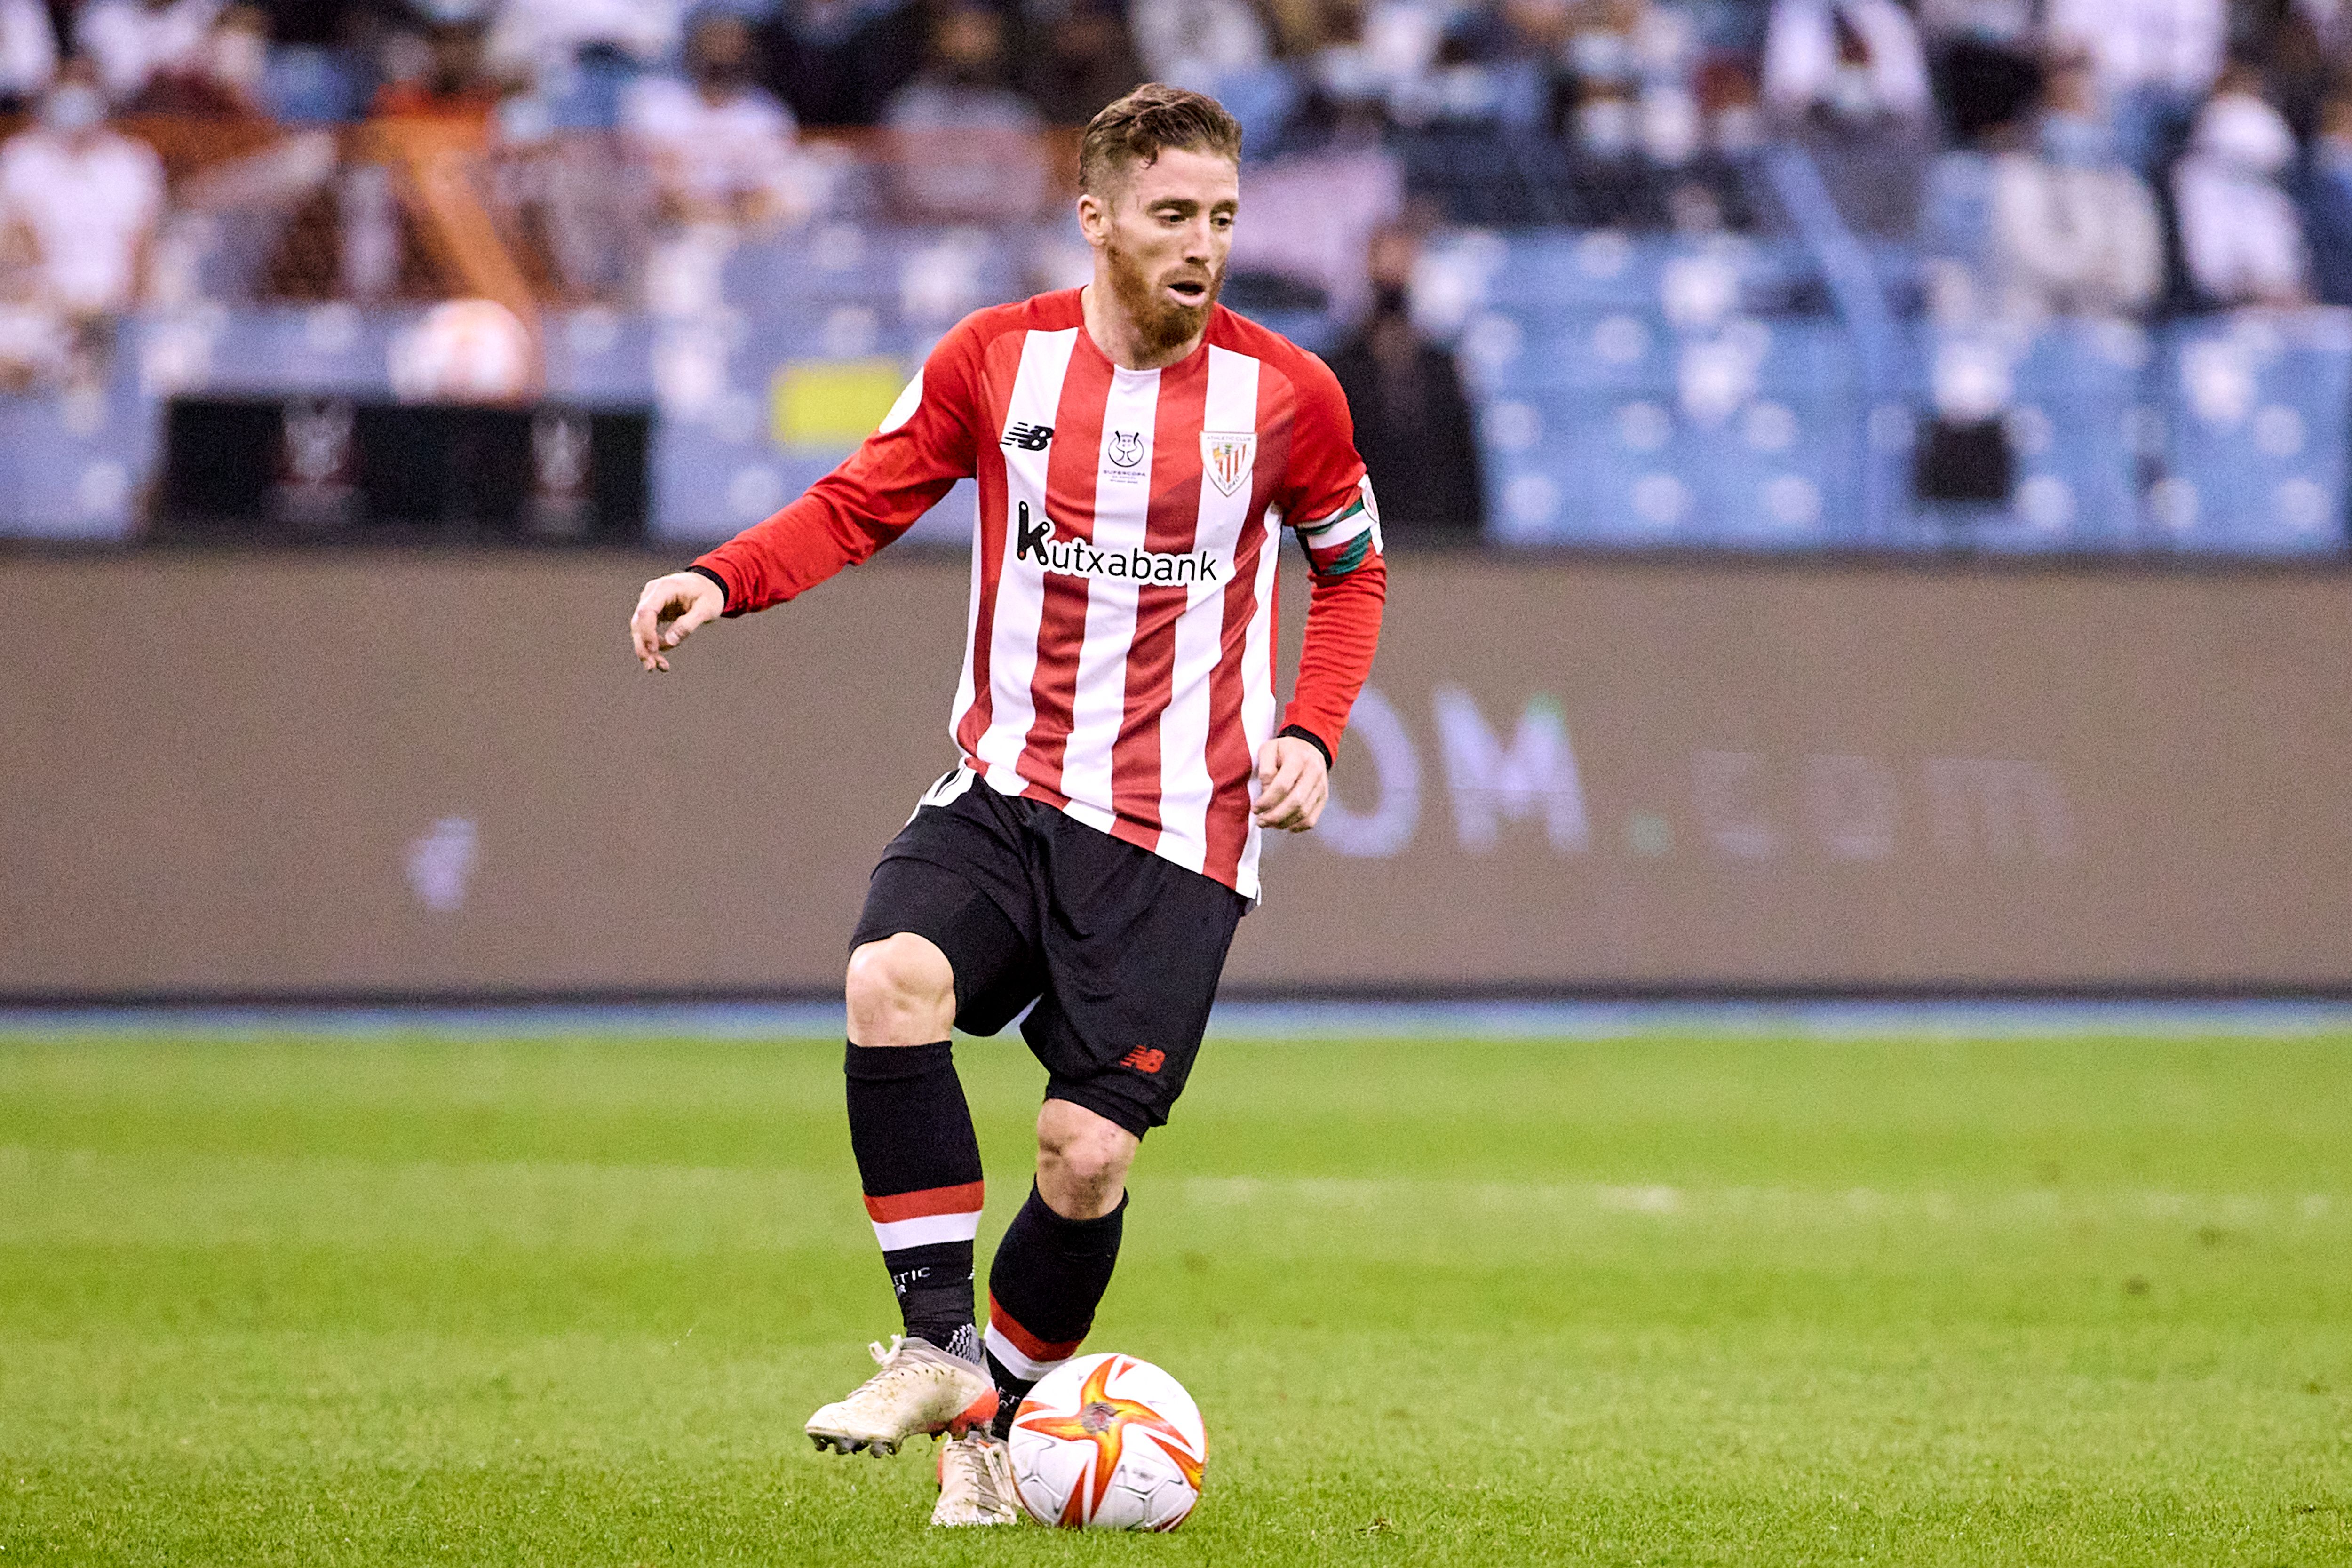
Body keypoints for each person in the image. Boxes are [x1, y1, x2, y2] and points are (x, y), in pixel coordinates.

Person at [625, 83, 1386, 1529]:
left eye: (1223, 216)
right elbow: (859, 501)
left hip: (1176, 832)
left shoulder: (1288, 394)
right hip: (1006, 783)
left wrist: (1312, 728)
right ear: (1094, 217)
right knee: (887, 978)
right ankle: (929, 1344)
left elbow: (1351, 571)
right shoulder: (995, 360)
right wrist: (720, 576)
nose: (1203, 243)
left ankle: (997, 1421)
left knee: (1083, 1157)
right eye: (1172, 213)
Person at [1326, 222, 1483, 534]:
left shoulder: (1440, 368)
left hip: (1436, 536)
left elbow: (1463, 462)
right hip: (1359, 537)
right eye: (1384, 265)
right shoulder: (1340, 368)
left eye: (1403, 264)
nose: (1393, 278)